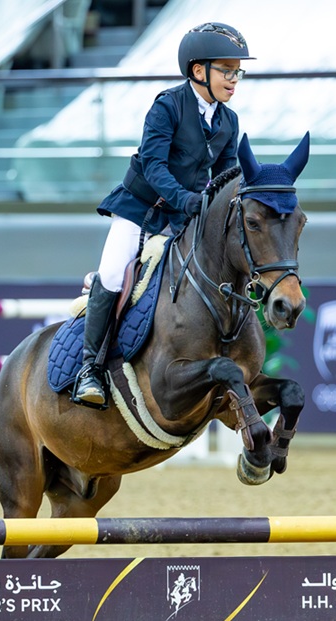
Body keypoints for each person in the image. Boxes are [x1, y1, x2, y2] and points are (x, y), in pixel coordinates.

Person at [73, 22, 254, 408]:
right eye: (226, 70)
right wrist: (187, 199)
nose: (233, 79)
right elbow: (154, 167)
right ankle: (90, 369)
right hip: (140, 208)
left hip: (184, 214)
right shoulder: (168, 106)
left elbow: (225, 176)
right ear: (198, 70)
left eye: (237, 71)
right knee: (112, 273)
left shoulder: (228, 121)